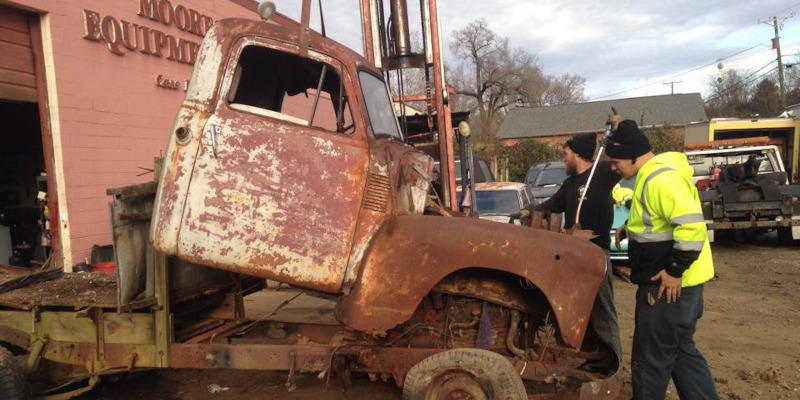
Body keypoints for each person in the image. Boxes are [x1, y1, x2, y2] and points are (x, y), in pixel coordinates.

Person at [604, 120, 719, 400]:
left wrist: (675, 271)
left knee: (650, 356)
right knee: (680, 350)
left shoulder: (661, 179)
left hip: (668, 287)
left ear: (635, 156)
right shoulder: (652, 176)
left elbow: (691, 228)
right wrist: (628, 226)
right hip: (683, 287)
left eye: (616, 161)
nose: (613, 167)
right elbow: (659, 218)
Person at [531, 132, 623, 367]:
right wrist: (529, 211)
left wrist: (613, 138)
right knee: (583, 310)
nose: (563, 158)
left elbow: (622, 158)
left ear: (578, 154)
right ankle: (594, 358)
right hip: (575, 255)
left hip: (596, 255)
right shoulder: (570, 184)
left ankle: (613, 363)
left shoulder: (602, 174)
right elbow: (551, 205)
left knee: (603, 311)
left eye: (566, 154)